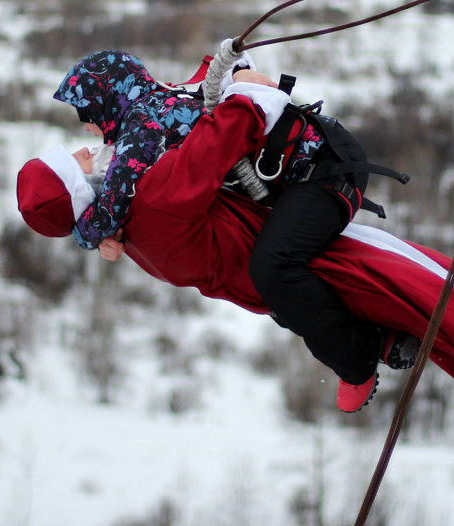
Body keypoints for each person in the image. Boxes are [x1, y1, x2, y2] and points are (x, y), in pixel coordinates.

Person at [18, 78, 454, 479]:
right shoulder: (153, 200)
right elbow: (229, 127)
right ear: (87, 186)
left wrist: (205, 87)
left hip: (314, 254)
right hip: (325, 265)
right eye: (81, 157)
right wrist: (243, 90)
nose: (95, 148)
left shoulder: (133, 228)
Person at [53, 51, 413, 413]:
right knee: (278, 285)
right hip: (314, 169)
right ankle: (383, 335)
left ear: (108, 100)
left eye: (86, 114)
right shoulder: (160, 100)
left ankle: (358, 361)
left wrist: (89, 233)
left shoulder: (142, 124)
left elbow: (110, 206)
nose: (86, 127)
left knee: (272, 269)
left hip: (324, 170)